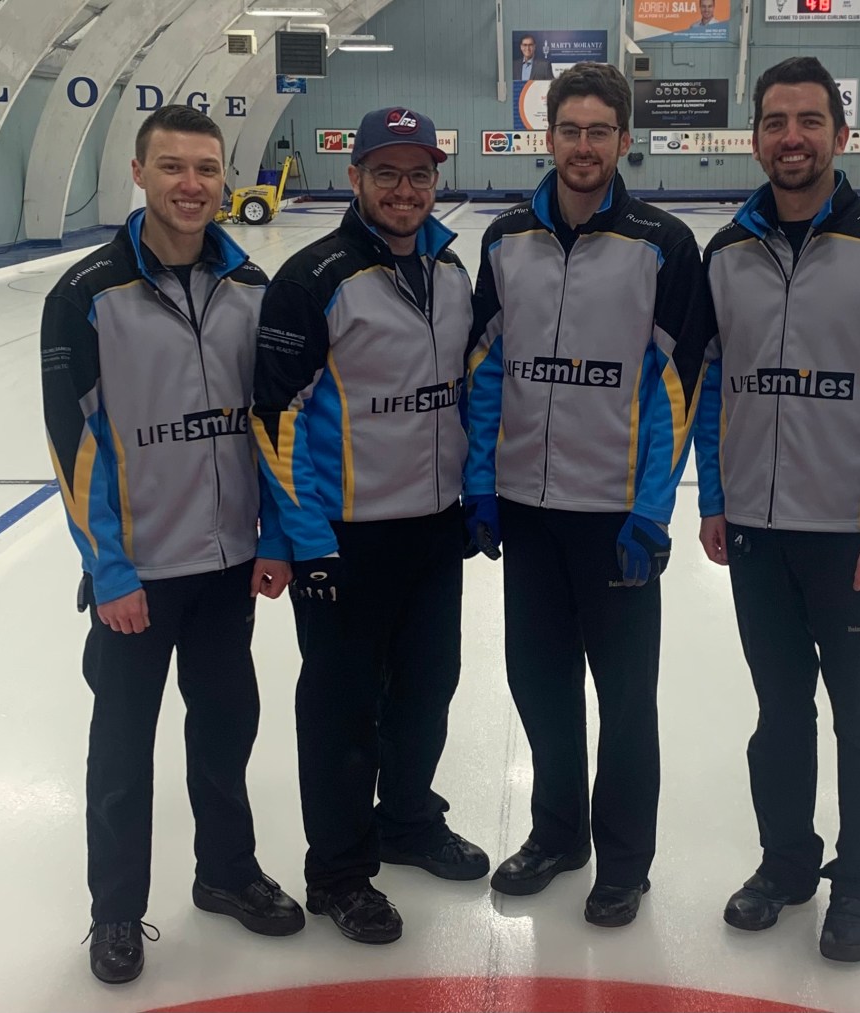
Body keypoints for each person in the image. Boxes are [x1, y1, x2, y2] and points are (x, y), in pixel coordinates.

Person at [40, 105, 304, 986]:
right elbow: (73, 443)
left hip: (227, 563)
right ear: (139, 173)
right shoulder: (86, 294)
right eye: (172, 167)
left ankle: (226, 872)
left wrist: (275, 533)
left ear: (224, 178)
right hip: (139, 574)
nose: (191, 184)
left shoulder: (250, 286)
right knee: (122, 750)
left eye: (206, 168)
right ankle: (116, 910)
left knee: (226, 728)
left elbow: (269, 422)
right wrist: (109, 567)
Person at [694, 57, 860, 963]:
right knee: (779, 714)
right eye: (775, 121)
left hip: (852, 538)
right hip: (758, 534)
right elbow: (713, 383)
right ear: (755, 138)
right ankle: (786, 865)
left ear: (841, 135)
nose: (791, 137)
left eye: (809, 121)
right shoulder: (726, 252)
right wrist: (716, 498)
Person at [465, 62, 713, 928]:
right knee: (539, 685)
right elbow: (486, 368)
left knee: (625, 699)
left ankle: (625, 863)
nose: (582, 145)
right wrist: (481, 483)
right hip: (527, 512)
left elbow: (676, 388)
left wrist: (652, 508)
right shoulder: (505, 239)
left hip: (615, 516)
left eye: (598, 131)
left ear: (623, 140)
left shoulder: (662, 244)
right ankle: (557, 834)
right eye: (569, 130)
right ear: (549, 137)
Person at [251, 106, 487, 946]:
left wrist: (473, 494)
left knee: (427, 690)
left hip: (433, 528)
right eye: (386, 173)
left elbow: (465, 392)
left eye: (420, 174)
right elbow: (275, 417)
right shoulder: (312, 278)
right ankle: (340, 873)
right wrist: (307, 538)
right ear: (354, 178)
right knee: (342, 711)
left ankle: (408, 819)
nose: (405, 189)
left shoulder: (451, 270)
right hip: (344, 538)